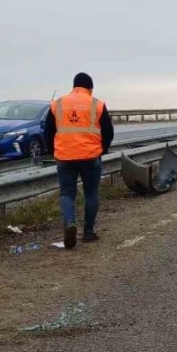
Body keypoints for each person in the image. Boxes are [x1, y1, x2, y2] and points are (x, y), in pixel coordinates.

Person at [44, 72, 114, 249]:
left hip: (65, 157)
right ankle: (88, 233)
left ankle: (69, 223)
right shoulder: (97, 104)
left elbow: (48, 132)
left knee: (67, 193)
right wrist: (102, 150)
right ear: (90, 88)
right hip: (90, 156)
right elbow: (108, 131)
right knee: (91, 193)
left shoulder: (57, 104)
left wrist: (54, 151)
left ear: (74, 86)